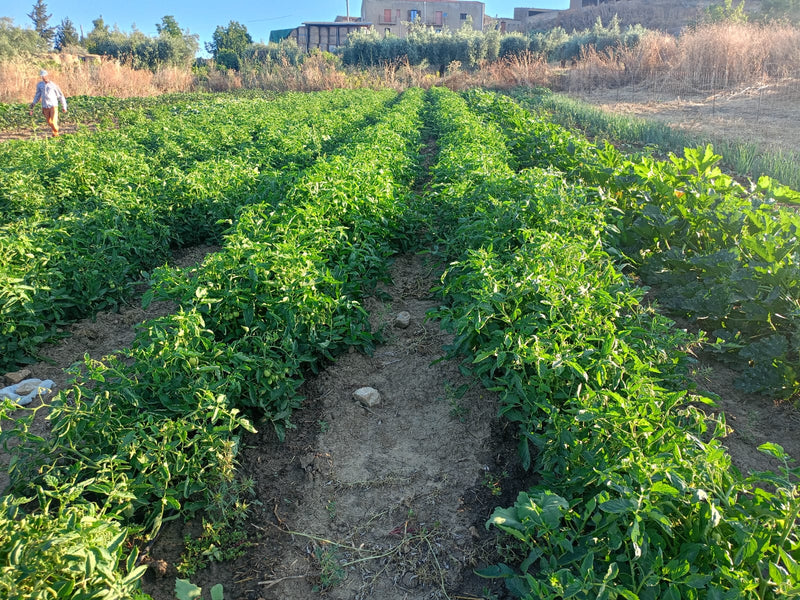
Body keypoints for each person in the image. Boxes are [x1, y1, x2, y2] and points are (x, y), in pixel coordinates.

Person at [29, 69, 68, 137]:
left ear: (47, 75)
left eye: (44, 76)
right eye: (42, 76)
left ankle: (55, 134)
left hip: (53, 105)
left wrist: (64, 106)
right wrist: (34, 103)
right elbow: (38, 95)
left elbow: (60, 96)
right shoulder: (40, 85)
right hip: (45, 106)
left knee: (53, 121)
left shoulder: (53, 85)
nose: (43, 77)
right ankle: (56, 130)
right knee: (49, 122)